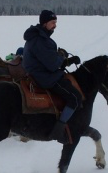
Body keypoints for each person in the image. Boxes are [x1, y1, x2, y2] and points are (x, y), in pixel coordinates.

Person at [22, 10, 82, 143]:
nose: (55, 25)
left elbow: (50, 60)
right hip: (44, 77)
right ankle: (58, 131)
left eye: (55, 22)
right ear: (44, 23)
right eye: (52, 22)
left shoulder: (39, 36)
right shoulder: (40, 40)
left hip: (42, 72)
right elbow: (53, 64)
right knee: (75, 98)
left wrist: (66, 60)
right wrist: (62, 56)